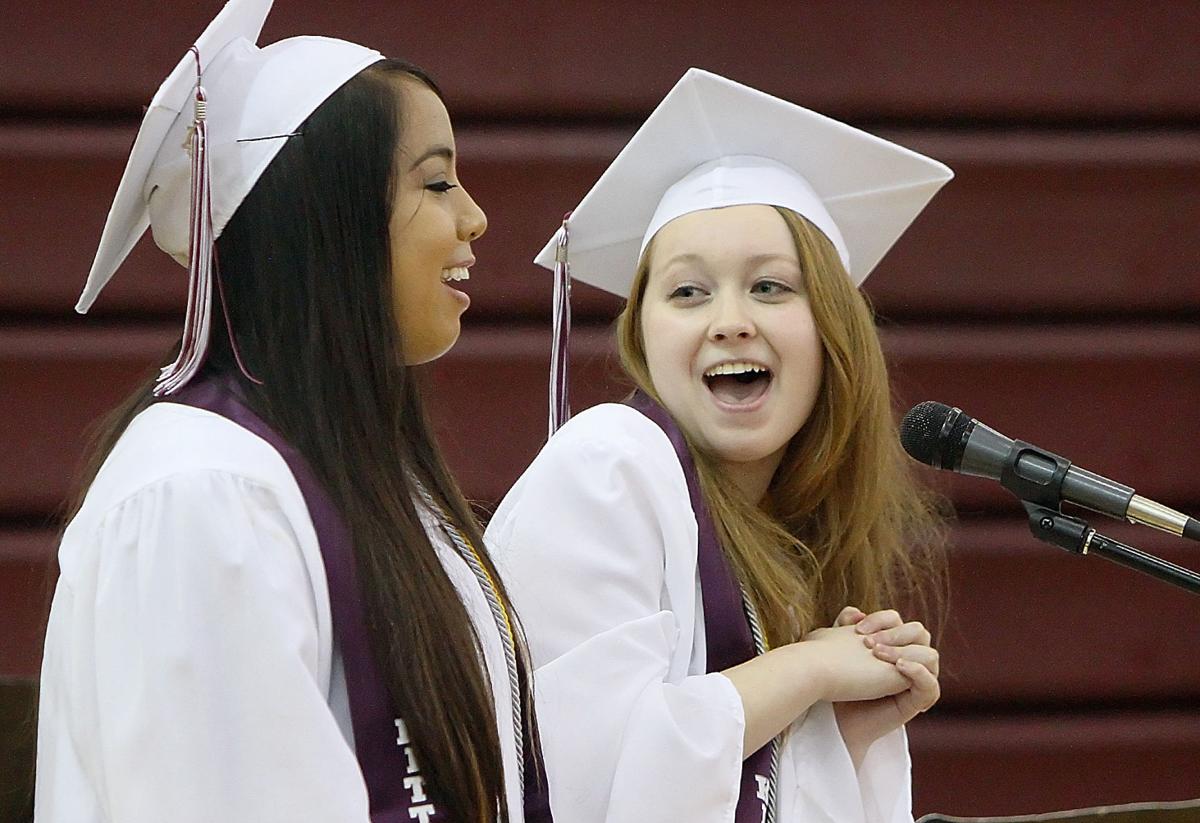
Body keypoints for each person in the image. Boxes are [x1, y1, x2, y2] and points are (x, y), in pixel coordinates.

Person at [35, 1, 548, 821]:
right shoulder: (200, 492)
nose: (474, 217)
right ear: (324, 216)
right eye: (437, 180)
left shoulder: (370, 483)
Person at [486, 68, 952, 823]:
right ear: (642, 334)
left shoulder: (786, 539)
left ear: (834, 331)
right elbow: (580, 785)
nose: (730, 320)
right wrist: (803, 671)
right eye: (688, 292)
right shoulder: (610, 466)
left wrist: (838, 734)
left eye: (770, 287)